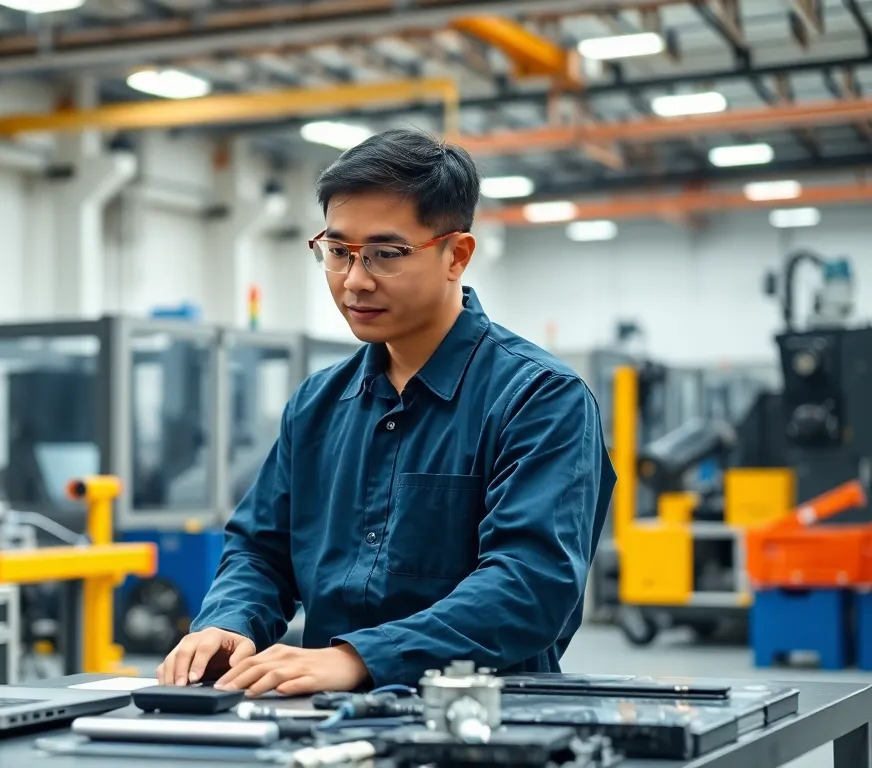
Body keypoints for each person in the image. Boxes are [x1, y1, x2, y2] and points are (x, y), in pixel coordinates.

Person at [156, 128, 615, 697]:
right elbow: (261, 548)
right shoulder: (318, 404)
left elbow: (529, 584)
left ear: (457, 255)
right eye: (338, 251)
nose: (355, 279)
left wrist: (361, 659)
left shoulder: (540, 399)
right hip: (323, 719)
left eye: (385, 254)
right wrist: (230, 620)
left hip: (483, 724)